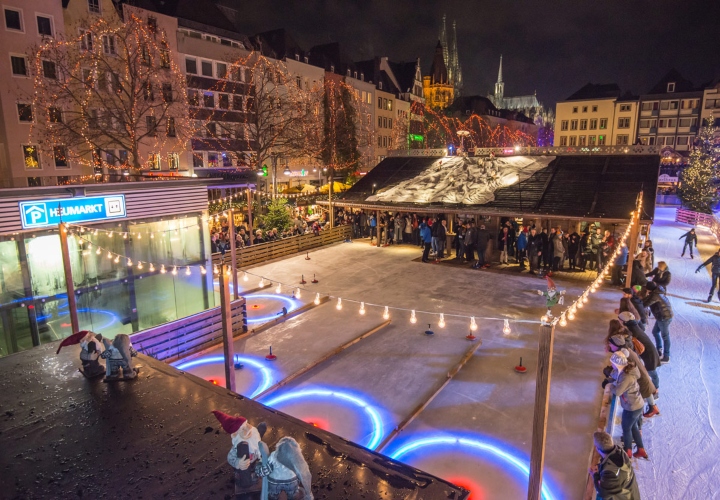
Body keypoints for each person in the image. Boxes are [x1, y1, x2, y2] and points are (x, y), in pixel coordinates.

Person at [605, 350, 648, 460]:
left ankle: (627, 453)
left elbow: (618, 391)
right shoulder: (625, 370)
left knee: (626, 428)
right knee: (633, 426)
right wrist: (610, 374)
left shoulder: (627, 377)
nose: (611, 365)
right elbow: (618, 375)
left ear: (618, 364)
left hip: (632, 407)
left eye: (613, 363)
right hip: (636, 404)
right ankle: (641, 450)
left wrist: (610, 385)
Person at [617, 312, 660, 401]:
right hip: (648, 352)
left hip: (649, 354)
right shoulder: (634, 325)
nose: (619, 321)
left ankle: (655, 392)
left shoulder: (632, 330)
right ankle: (654, 391)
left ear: (624, 321)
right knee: (650, 373)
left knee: (650, 374)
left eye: (620, 320)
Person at [590, 431, 641, 500]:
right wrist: (600, 467)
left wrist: (595, 475)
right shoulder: (621, 453)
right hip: (632, 494)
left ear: (597, 448)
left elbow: (603, 493)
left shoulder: (609, 472)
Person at [643, 281, 673, 363]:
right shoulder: (657, 292)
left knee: (665, 337)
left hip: (664, 317)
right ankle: (659, 349)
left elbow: (646, 304)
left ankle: (666, 356)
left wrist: (638, 302)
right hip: (663, 316)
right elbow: (646, 300)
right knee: (655, 332)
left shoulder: (655, 295)